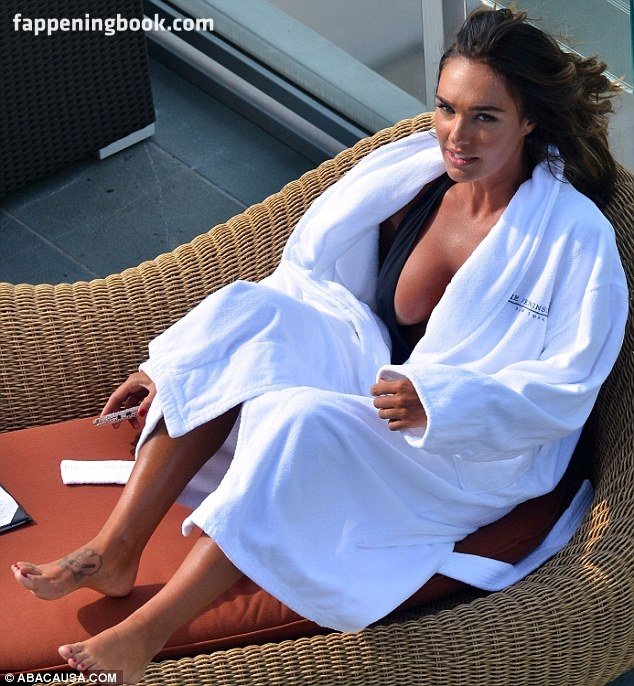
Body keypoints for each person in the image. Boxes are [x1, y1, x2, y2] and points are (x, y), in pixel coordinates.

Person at [12, 8, 628, 684]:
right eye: (447, 108)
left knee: (299, 419)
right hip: (377, 380)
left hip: (461, 449)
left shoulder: (572, 239)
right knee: (251, 313)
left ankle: (147, 632)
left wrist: (441, 402)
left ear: (530, 120)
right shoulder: (414, 177)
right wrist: (187, 362)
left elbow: (568, 388)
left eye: (485, 117)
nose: (456, 135)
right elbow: (309, 282)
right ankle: (114, 550)